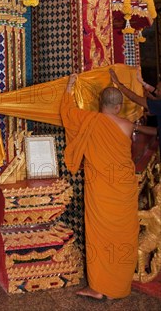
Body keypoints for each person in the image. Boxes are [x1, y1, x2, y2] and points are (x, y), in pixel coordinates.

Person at [60, 74, 139, 300]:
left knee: (99, 235)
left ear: (100, 104)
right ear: (119, 106)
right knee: (124, 234)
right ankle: (120, 285)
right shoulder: (128, 125)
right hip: (123, 189)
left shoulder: (89, 120)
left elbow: (67, 114)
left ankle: (98, 287)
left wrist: (69, 88)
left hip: (101, 188)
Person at [110, 69, 161, 155]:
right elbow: (157, 131)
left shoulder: (159, 105)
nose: (156, 93)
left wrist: (118, 84)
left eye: (158, 91)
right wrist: (134, 126)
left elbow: (135, 98)